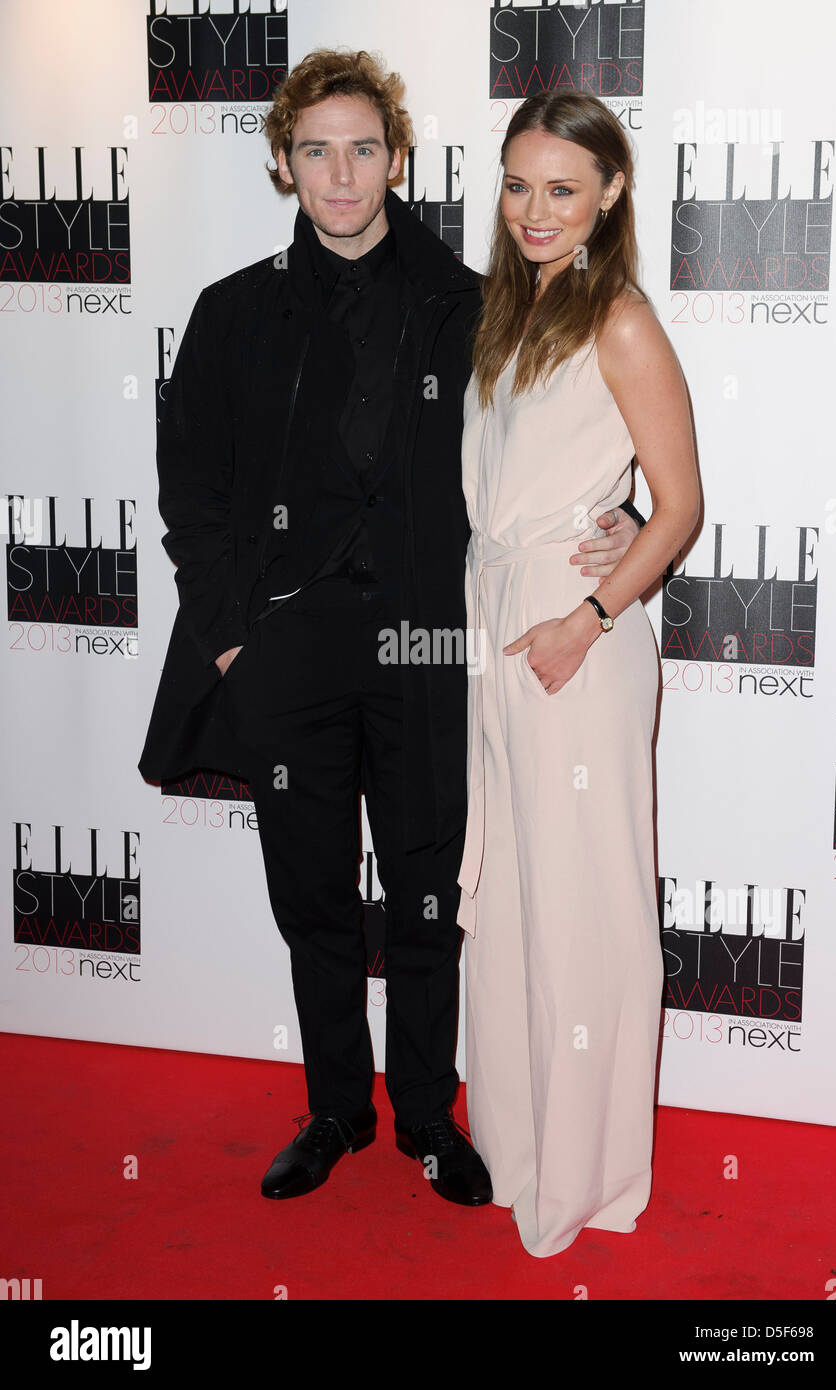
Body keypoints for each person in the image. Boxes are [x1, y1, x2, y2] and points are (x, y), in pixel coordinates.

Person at [138, 50, 643, 1207]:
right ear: (282, 163)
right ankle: (333, 1107)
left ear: (399, 158)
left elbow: (564, 436)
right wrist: (231, 645)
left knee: (426, 888)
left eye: (364, 147)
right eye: (315, 148)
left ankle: (427, 1114)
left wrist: (626, 518)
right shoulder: (231, 315)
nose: (342, 172)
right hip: (289, 653)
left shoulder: (479, 304)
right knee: (311, 893)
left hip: (429, 648)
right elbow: (191, 499)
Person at [457, 90, 700, 1256]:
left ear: (609, 194)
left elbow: (684, 506)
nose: (535, 211)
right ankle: (520, 1149)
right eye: (518, 185)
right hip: (501, 633)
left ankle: (590, 1171)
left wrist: (591, 613)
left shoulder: (624, 321)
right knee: (512, 906)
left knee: (585, 914)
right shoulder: (511, 312)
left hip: (576, 654)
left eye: (562, 188)